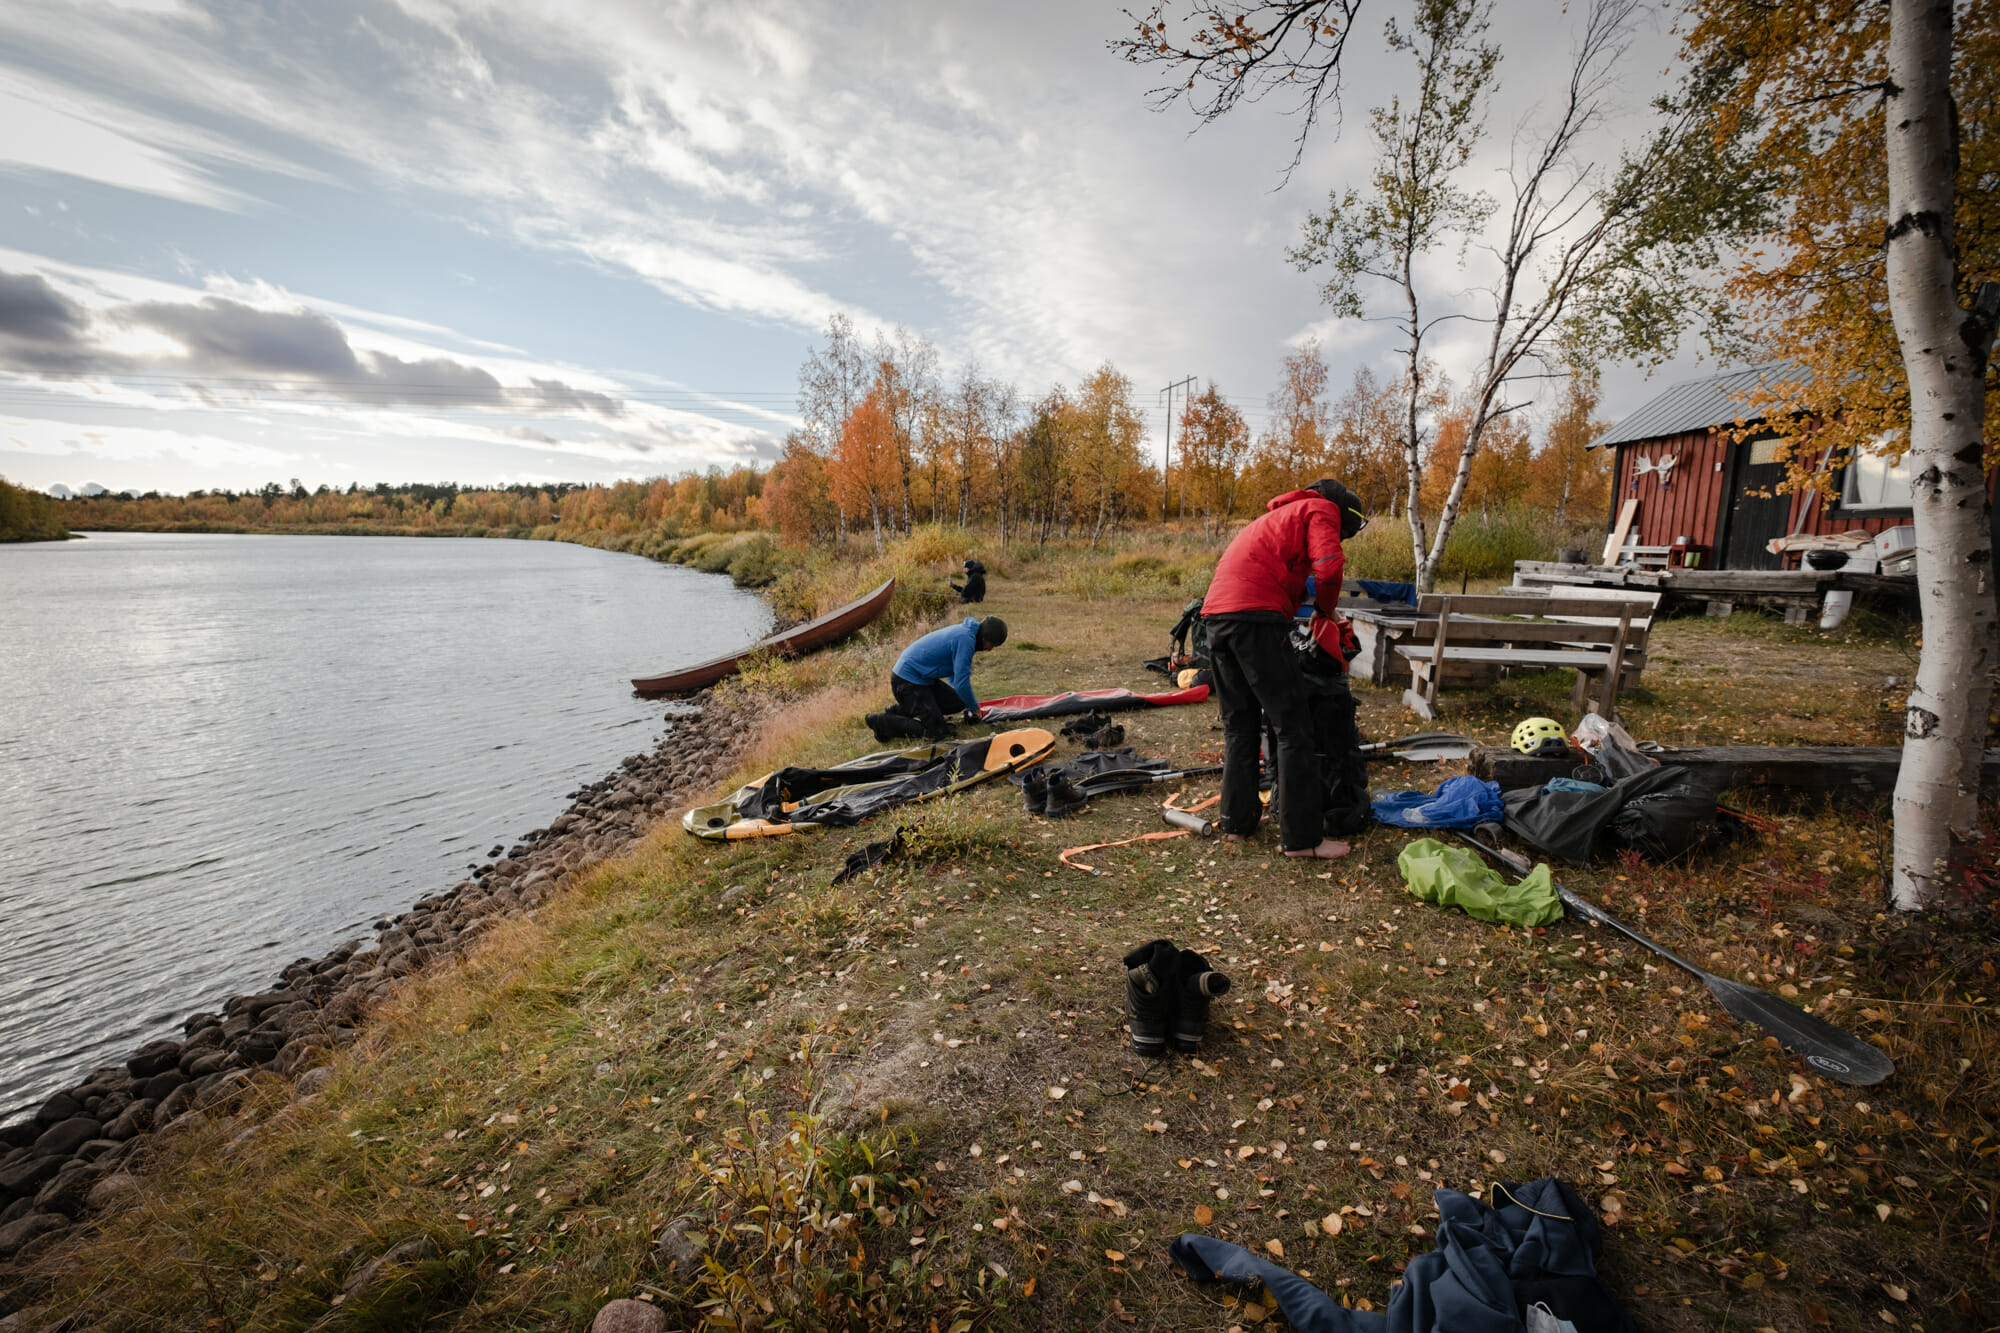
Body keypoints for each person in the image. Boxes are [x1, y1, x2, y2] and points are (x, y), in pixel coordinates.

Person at [1202, 479, 1366, 860]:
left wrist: (1318, 609)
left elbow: (1285, 580)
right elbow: (1328, 567)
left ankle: (1237, 823)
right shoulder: (1320, 509)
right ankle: (1302, 839)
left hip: (1217, 619)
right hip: (1255, 621)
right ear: (1341, 515)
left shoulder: (1278, 519)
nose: (1341, 538)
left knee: (1239, 725)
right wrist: (1325, 611)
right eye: (1344, 533)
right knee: (1293, 727)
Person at [867, 615, 1008, 741]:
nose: (990, 649)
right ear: (985, 638)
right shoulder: (966, 640)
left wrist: (966, 704)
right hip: (906, 681)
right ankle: (881, 723)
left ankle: (900, 710)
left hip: (923, 680)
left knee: (958, 703)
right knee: (937, 732)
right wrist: (974, 707)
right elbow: (961, 683)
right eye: (992, 645)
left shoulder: (968, 635)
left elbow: (954, 675)